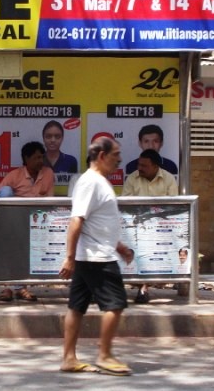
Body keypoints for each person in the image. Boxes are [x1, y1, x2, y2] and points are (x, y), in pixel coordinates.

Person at [58, 135, 135, 376]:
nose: (119, 161)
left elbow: (99, 223)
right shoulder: (91, 182)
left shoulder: (99, 181)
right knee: (116, 304)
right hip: (97, 258)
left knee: (77, 307)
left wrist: (119, 247)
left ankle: (69, 358)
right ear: (101, 156)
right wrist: (69, 257)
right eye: (115, 156)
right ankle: (105, 355)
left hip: (94, 253)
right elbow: (76, 221)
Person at [0, 141, 55, 303]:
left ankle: (21, 288)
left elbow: (49, 202)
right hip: (14, 223)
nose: (40, 161)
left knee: (28, 248)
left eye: (41, 157)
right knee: (6, 191)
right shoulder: (15, 175)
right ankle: (8, 287)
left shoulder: (48, 173)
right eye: (36, 158)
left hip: (38, 222)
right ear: (26, 159)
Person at [121, 149, 178, 303]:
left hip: (161, 228)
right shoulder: (132, 178)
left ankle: (146, 286)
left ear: (155, 166)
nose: (139, 168)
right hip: (138, 227)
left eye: (144, 165)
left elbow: (173, 207)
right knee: (137, 248)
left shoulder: (169, 179)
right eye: (139, 164)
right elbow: (125, 204)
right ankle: (142, 286)